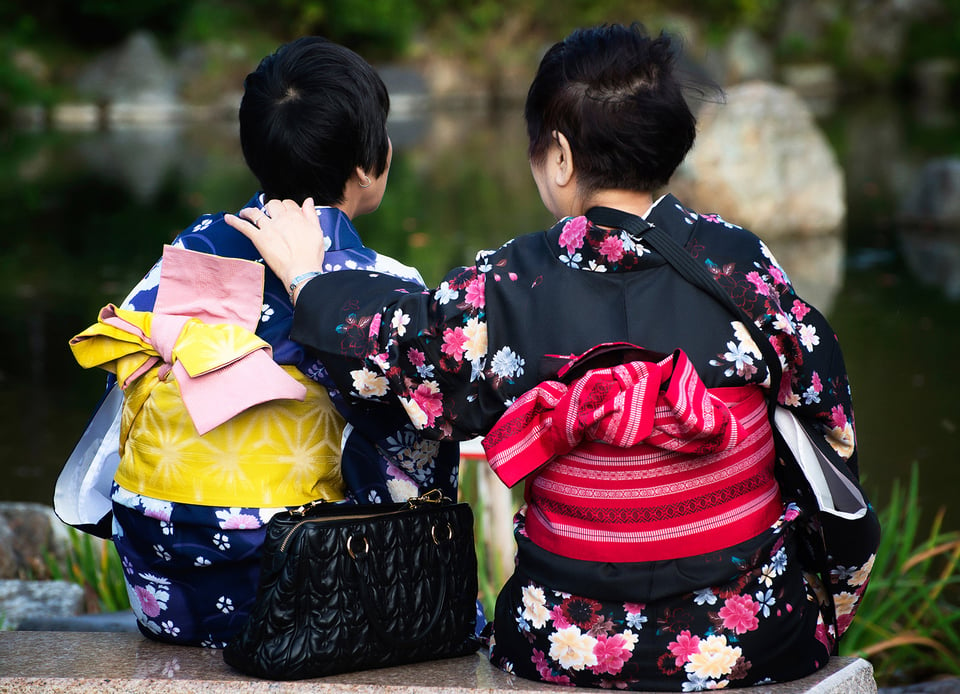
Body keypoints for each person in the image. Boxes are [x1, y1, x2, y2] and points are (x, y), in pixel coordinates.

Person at [226, 23, 880, 690]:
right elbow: (827, 410)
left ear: (560, 158)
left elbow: (398, 352)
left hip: (565, 637)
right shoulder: (740, 262)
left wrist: (311, 284)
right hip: (753, 632)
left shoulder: (512, 282)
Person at [66, 36, 460, 648]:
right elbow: (416, 448)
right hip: (305, 589)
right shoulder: (385, 283)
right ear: (367, 165)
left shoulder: (191, 248)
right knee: (420, 425)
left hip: (165, 584)